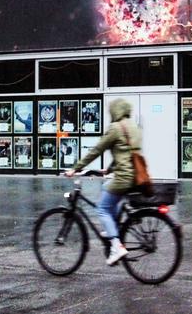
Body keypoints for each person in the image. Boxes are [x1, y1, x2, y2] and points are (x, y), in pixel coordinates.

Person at [65, 98, 142, 266]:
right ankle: (111, 228)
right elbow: (127, 153)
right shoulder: (133, 126)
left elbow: (96, 150)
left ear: (115, 111)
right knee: (107, 187)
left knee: (102, 209)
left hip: (123, 178)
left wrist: (76, 168)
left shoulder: (116, 128)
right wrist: (109, 170)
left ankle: (116, 246)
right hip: (136, 176)